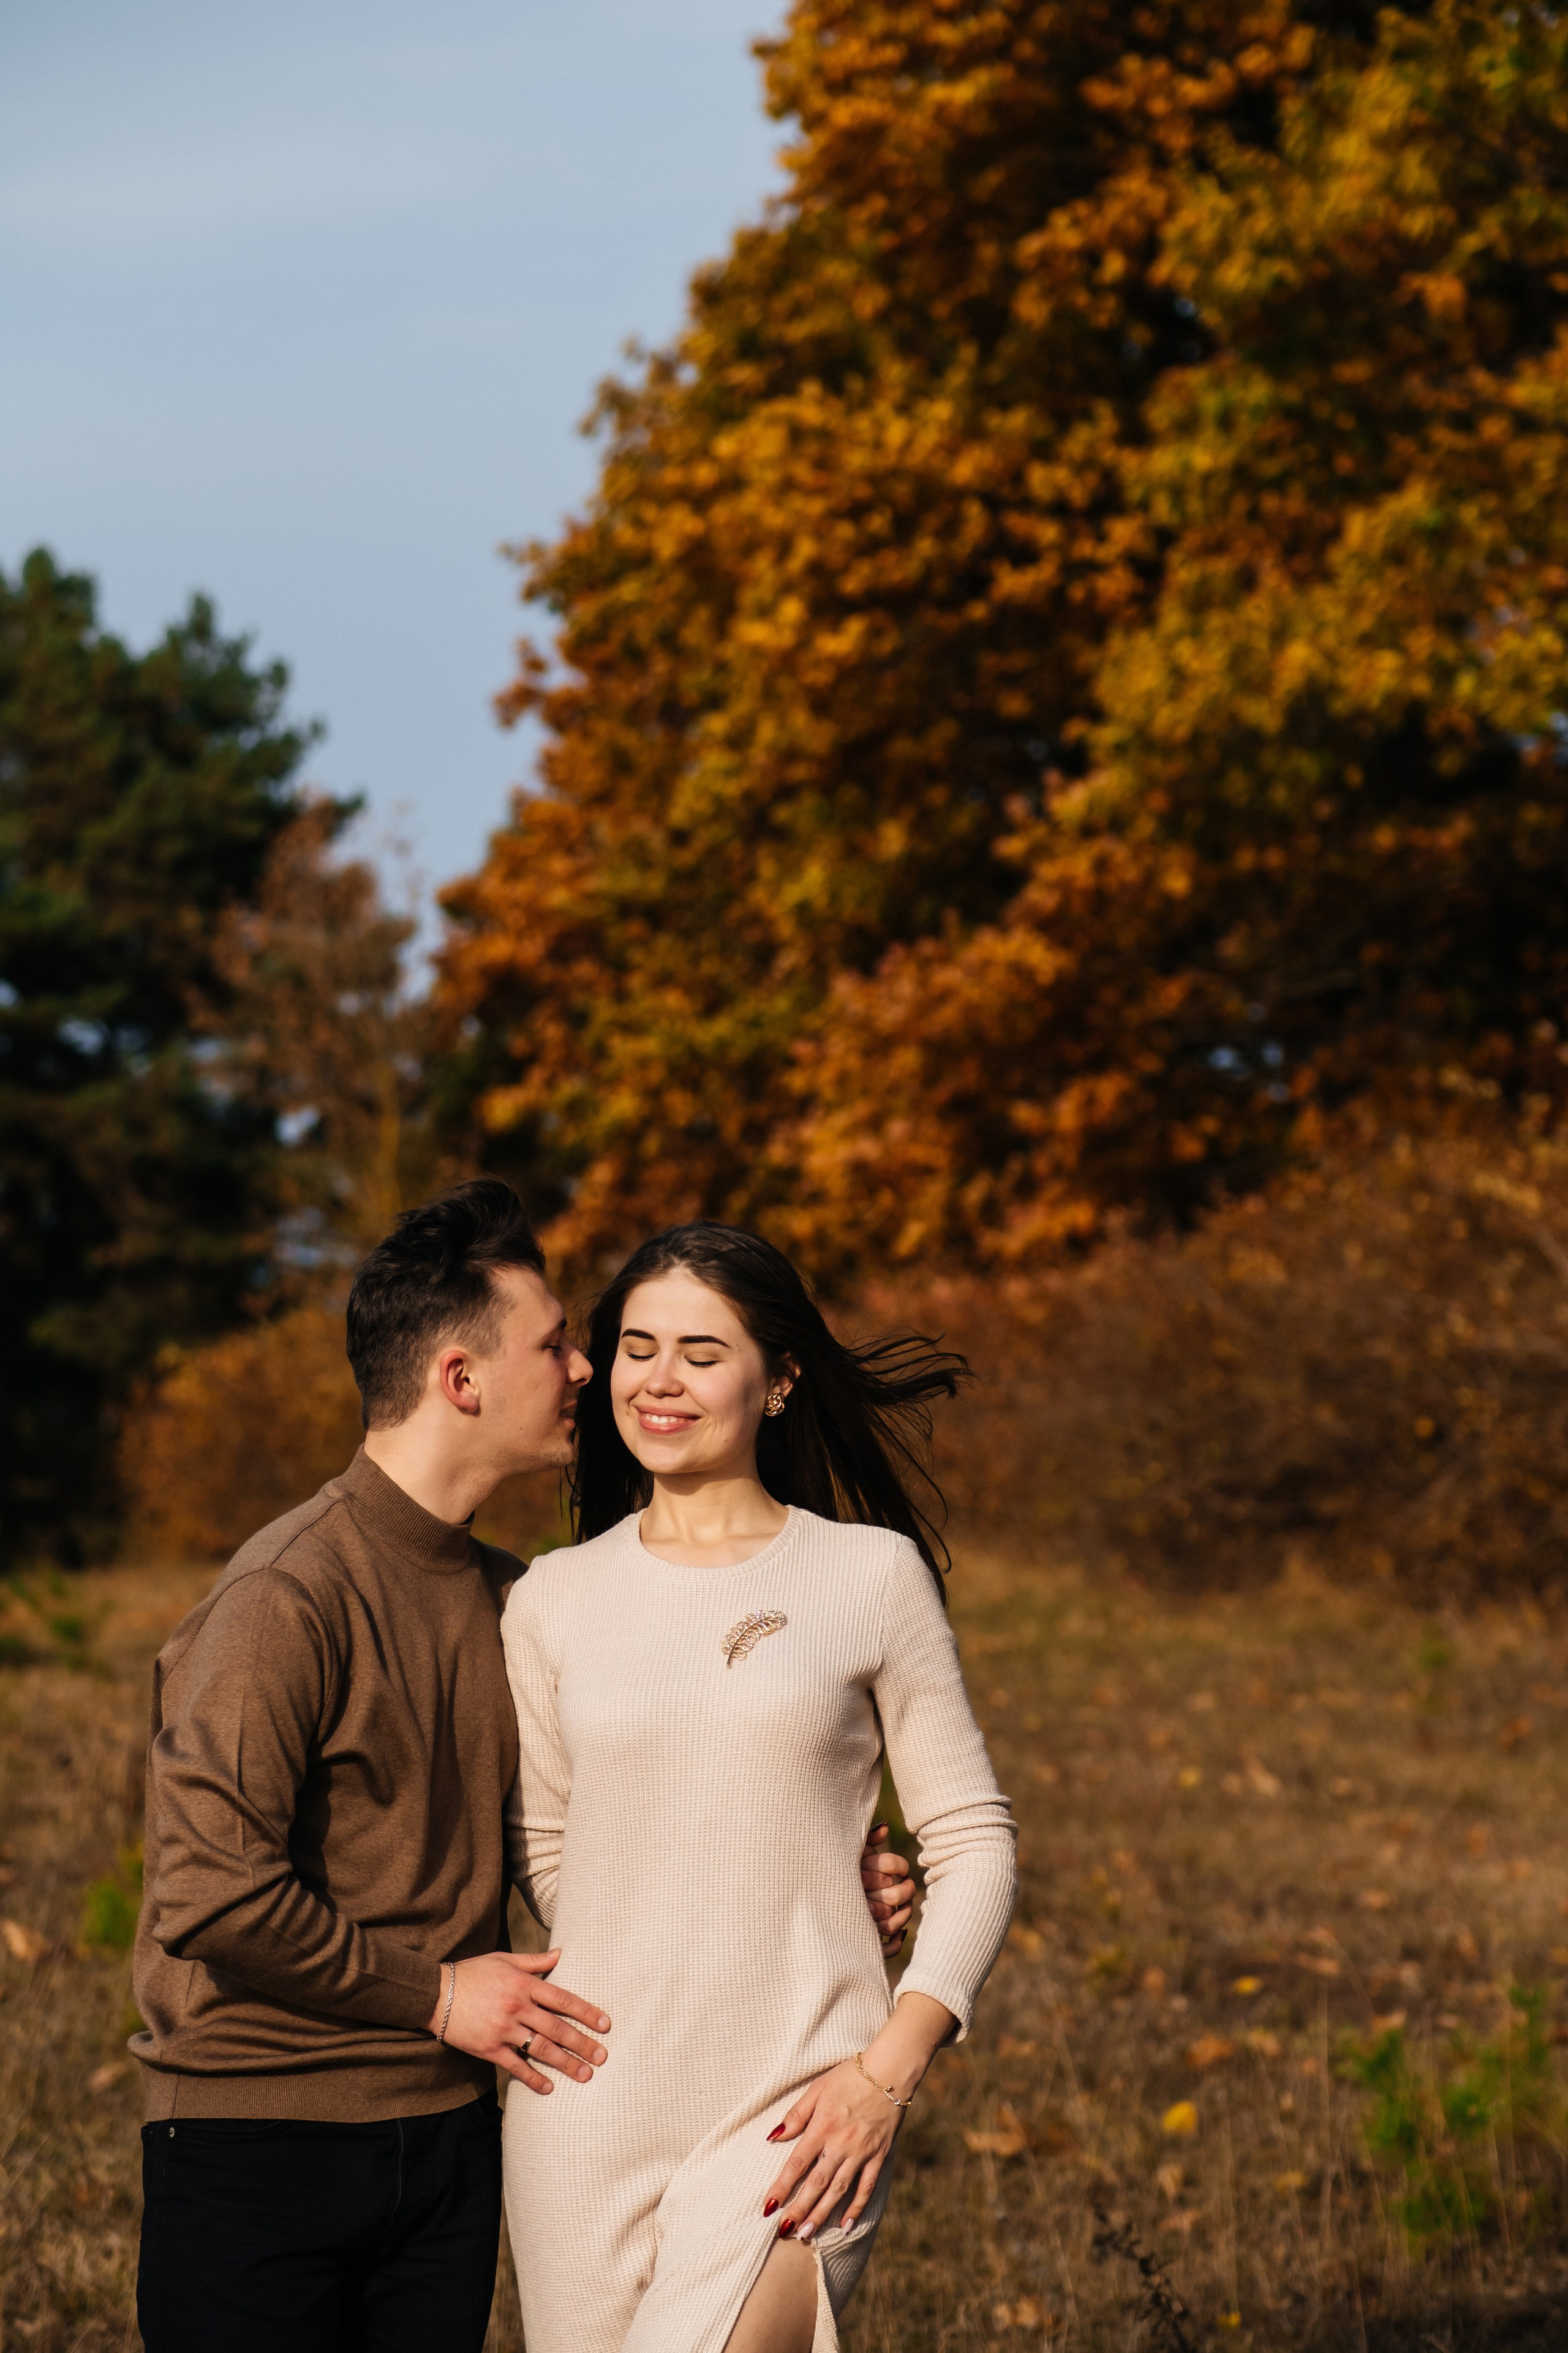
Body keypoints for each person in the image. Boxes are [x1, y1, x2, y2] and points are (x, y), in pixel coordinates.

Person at [132, 1180, 912, 2352]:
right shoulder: (282, 1599)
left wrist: (819, 1886)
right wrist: (443, 1993)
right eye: (556, 1343)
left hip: (453, 2136)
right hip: (264, 2137)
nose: (590, 1369)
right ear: (462, 1379)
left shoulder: (522, 1598)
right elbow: (207, 1892)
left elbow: (605, 1832)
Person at [500, 1222, 1018, 2353]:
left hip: (800, 2104)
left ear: (779, 1378)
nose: (659, 1380)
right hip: (584, 2106)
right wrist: (768, 1875)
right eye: (637, 1347)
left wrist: (888, 2073)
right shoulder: (553, 1596)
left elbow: (975, 1840)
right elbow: (549, 1849)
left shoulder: (867, 1574)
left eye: (701, 1349)